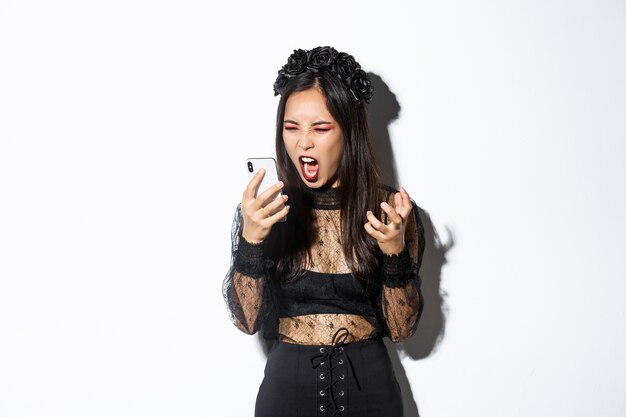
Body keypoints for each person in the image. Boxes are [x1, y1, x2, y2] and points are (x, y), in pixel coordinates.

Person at [223, 46, 425, 417]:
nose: (303, 142)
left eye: (320, 128)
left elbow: (401, 331)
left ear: (349, 131)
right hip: (286, 395)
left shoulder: (390, 210)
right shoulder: (263, 211)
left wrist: (394, 252)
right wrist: (252, 241)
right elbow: (246, 321)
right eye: (291, 127)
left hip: (372, 395)